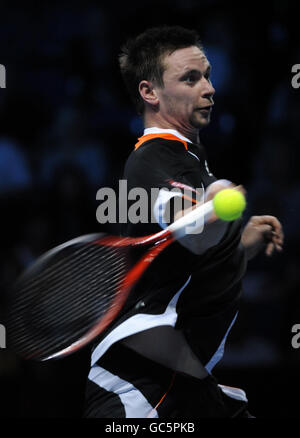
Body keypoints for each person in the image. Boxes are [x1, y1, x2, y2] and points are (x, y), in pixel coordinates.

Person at [83, 25, 284, 418]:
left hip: (179, 382)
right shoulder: (152, 158)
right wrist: (216, 205)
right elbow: (183, 226)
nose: (208, 88)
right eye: (190, 79)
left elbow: (181, 266)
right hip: (134, 393)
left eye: (207, 75)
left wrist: (240, 245)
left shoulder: (191, 157)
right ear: (149, 92)